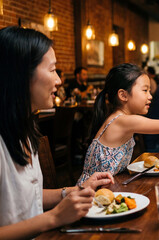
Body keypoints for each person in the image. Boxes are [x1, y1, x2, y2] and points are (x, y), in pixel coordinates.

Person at [0, 26, 114, 239]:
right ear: (22, 73)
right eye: (52, 70)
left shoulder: (24, 130)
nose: (59, 80)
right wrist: (54, 218)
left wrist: (73, 191)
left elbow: (23, 197)